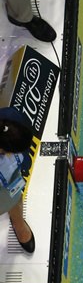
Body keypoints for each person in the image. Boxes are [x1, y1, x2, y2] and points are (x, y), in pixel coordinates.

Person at [0, 107, 34, 253]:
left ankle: (18, 224)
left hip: (11, 176)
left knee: (15, 194)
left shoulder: (11, 119)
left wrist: (24, 165)